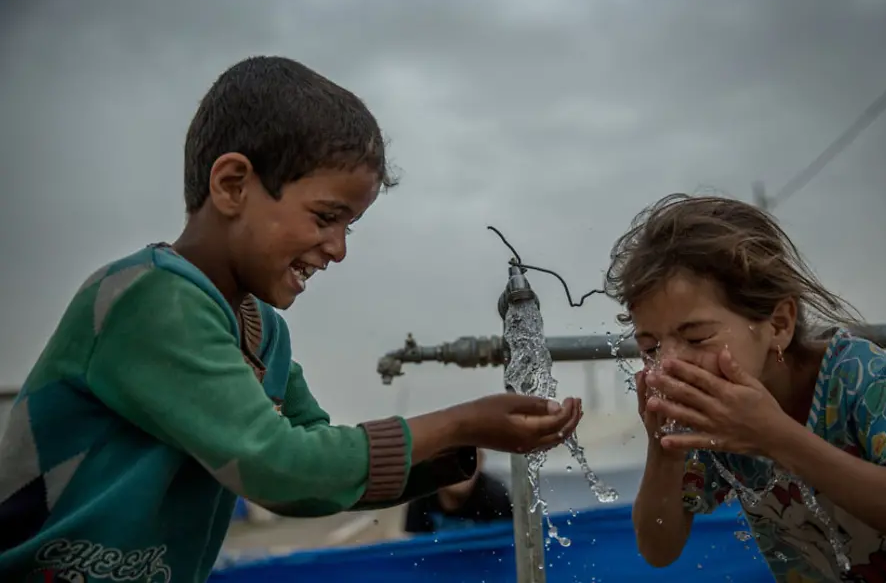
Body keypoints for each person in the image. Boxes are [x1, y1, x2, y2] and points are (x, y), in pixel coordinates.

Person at [0, 56, 582, 583]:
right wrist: (458, 423)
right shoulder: (149, 299)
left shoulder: (265, 333)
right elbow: (281, 467)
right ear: (232, 185)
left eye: (348, 226)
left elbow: (317, 475)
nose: (338, 249)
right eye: (326, 217)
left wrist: (464, 443)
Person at [608, 194, 886, 582]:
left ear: (779, 324)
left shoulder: (857, 375)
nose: (669, 365)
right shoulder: (712, 416)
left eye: (696, 338)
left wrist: (775, 437)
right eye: (650, 348)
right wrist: (662, 446)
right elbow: (658, 547)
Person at [404, 449, 513, 533]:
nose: (459, 468)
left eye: (469, 459)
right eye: (448, 461)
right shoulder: (421, 497)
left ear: (480, 461)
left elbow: (506, 545)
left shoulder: (495, 496)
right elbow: (414, 549)